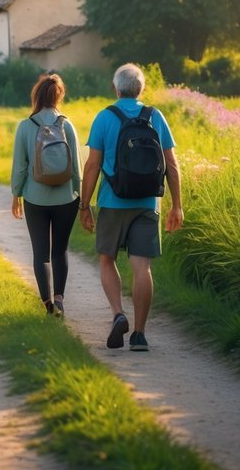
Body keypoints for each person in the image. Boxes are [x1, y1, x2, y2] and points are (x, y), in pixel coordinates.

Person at [78, 63, 183, 352]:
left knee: (106, 258)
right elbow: (171, 165)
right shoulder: (155, 116)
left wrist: (84, 205)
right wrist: (177, 205)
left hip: (113, 201)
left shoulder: (104, 117)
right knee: (142, 267)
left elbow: (92, 166)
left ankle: (118, 313)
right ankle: (139, 334)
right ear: (142, 89)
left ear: (116, 88)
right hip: (148, 202)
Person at [10, 73, 81, 317]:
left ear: (37, 95)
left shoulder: (26, 126)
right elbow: (76, 168)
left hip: (35, 198)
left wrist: (15, 195)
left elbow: (20, 166)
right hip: (66, 198)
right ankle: (60, 298)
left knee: (40, 252)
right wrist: (81, 197)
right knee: (60, 250)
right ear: (59, 95)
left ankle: (47, 304)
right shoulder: (66, 124)